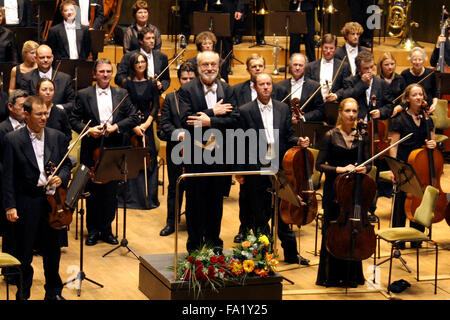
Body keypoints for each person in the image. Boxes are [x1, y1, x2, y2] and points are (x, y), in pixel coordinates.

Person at [2, 96, 72, 300]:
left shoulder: (57, 137)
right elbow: (7, 177)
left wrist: (62, 177)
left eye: (46, 113)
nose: (44, 118)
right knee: (24, 254)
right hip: (27, 202)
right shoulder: (12, 140)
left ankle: (54, 292)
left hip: (52, 202)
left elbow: (67, 164)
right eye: (39, 114)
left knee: (53, 251)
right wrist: (10, 206)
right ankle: (23, 293)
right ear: (26, 115)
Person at [236, 72, 311, 264]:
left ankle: (291, 254)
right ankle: (264, 256)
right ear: (255, 87)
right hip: (256, 168)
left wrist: (299, 141)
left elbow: (288, 136)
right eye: (261, 84)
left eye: (268, 84)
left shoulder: (283, 108)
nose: (266, 87)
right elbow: (239, 143)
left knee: (284, 212)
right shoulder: (245, 111)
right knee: (259, 215)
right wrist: (240, 170)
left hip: (280, 168)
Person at [69, 58, 139, 246]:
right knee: (92, 190)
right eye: (101, 71)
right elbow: (74, 119)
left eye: (108, 71)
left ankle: (107, 229)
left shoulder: (122, 93)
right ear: (94, 74)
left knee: (110, 191)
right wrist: (88, 130)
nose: (105, 74)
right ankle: (92, 230)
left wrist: (115, 127)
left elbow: (133, 117)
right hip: (92, 148)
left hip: (113, 148)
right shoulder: (83, 94)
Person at [179, 51, 239, 254]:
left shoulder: (228, 90)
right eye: (205, 64)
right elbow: (186, 121)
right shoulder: (187, 89)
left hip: (221, 155)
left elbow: (234, 120)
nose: (210, 68)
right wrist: (213, 112)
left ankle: (214, 244)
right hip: (196, 155)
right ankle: (194, 246)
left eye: (213, 64)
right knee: (195, 202)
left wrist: (209, 121)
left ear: (218, 66)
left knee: (215, 202)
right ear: (198, 67)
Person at [315, 97, 371, 288]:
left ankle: (352, 276)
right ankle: (329, 276)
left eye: (355, 111)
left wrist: (365, 169)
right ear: (340, 113)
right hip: (334, 190)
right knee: (333, 231)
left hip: (355, 192)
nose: (352, 115)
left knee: (353, 232)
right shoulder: (330, 135)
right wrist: (340, 169)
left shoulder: (362, 136)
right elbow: (319, 164)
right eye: (348, 111)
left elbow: (369, 163)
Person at [232, 53, 284, 243]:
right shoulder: (238, 90)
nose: (257, 69)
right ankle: (244, 228)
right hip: (250, 156)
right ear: (248, 70)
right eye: (253, 66)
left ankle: (264, 231)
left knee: (267, 198)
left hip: (272, 157)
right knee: (246, 197)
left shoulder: (274, 92)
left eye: (260, 66)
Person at [389, 84, 436, 248]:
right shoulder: (399, 120)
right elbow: (393, 146)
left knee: (418, 202)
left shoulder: (427, 119)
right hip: (404, 166)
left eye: (421, 94)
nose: (419, 97)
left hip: (421, 167)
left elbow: (432, 140)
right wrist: (394, 168)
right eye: (415, 95)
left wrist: (433, 144)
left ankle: (417, 238)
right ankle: (398, 239)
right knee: (401, 204)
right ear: (407, 98)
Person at [159, 61, 197, 236]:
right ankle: (171, 222)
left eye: (191, 78)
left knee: (194, 186)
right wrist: (178, 134)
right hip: (176, 148)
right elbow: (165, 123)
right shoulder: (170, 98)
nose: (187, 81)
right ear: (179, 79)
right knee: (175, 186)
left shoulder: (200, 98)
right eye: (184, 78)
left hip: (197, 148)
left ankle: (192, 221)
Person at [121, 52, 160, 210]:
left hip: (147, 125)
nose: (140, 64)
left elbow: (156, 105)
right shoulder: (127, 84)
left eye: (143, 62)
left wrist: (147, 123)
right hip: (131, 125)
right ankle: (131, 198)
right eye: (137, 62)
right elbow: (125, 107)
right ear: (132, 65)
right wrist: (134, 125)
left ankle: (148, 198)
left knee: (148, 159)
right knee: (131, 160)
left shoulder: (152, 83)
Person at [0, 89, 28, 272]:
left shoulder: (29, 127)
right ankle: (9, 271)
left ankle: (22, 268)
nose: (25, 111)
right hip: (7, 186)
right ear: (10, 107)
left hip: (26, 186)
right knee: (9, 232)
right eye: (21, 106)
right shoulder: (2, 129)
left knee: (24, 231)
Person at [339, 51, 393, 121]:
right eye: (366, 68)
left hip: (374, 125)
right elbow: (347, 99)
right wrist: (362, 84)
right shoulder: (350, 82)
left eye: (371, 67)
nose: (370, 71)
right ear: (358, 69)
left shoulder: (382, 84)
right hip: (355, 123)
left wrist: (380, 112)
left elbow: (390, 106)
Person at [20, 45, 75, 113]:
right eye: (42, 57)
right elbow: (24, 102)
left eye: (48, 57)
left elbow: (72, 104)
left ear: (52, 58)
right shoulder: (26, 78)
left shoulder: (65, 78)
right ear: (35, 58)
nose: (46, 60)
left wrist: (56, 108)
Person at [115, 26, 170, 94]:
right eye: (148, 38)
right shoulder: (129, 56)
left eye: (153, 38)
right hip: (133, 96)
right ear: (141, 41)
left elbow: (166, 79)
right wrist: (132, 83)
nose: (152, 41)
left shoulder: (162, 57)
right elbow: (119, 77)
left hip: (154, 95)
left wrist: (161, 85)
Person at [277, 53, 325, 122]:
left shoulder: (315, 87)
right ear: (290, 66)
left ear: (305, 67)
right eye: (295, 65)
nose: (297, 68)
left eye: (300, 65)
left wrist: (303, 117)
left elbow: (320, 111)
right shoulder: (280, 86)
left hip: (306, 128)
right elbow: (277, 110)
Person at [305, 33, 351, 102]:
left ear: (336, 49)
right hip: (315, 105)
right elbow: (307, 87)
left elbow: (347, 86)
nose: (328, 51)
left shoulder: (343, 66)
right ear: (321, 47)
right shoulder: (310, 67)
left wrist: (336, 95)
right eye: (325, 48)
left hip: (335, 105)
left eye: (331, 48)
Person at [203, 0, 244, 75]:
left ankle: (226, 66)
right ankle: (214, 65)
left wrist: (239, 9)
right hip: (213, 5)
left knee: (227, 37)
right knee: (214, 38)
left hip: (229, 5)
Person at [400, 47, 438, 113]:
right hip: (410, 109)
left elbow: (435, 93)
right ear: (411, 60)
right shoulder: (405, 74)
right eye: (415, 60)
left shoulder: (430, 73)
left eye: (420, 59)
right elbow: (403, 95)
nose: (417, 62)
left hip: (427, 108)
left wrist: (434, 105)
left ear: (424, 60)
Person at [36, 78, 72, 143]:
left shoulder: (60, 112)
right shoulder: (32, 111)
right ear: (37, 92)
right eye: (44, 90)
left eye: (51, 90)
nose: (48, 92)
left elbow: (68, 136)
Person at [377, 52, 406, 118]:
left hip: (398, 114)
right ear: (381, 65)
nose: (390, 67)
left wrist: (400, 106)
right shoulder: (376, 80)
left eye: (392, 64)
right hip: (381, 114)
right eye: (386, 65)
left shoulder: (400, 79)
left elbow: (405, 98)